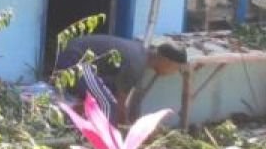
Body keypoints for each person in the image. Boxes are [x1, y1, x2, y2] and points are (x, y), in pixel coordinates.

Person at [52, 34, 185, 124]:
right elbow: (121, 105)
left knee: (109, 92)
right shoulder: (136, 64)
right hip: (75, 60)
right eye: (176, 68)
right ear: (167, 61)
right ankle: (102, 144)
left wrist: (128, 121)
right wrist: (127, 127)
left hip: (77, 58)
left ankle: (70, 118)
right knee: (108, 104)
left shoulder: (141, 55)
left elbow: (120, 96)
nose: (174, 72)